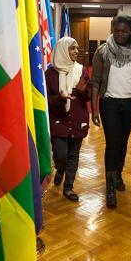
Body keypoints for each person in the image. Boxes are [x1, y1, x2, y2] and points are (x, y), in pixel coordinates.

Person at [91, 14, 131, 208]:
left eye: (124, 31)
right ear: (112, 30)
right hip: (109, 104)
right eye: (117, 30)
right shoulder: (102, 52)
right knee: (112, 143)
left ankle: (118, 175)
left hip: (130, 105)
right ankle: (109, 186)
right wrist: (94, 109)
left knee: (123, 142)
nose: (120, 34)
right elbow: (95, 82)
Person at [46, 37, 91, 202]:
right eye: (72, 48)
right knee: (60, 156)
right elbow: (46, 101)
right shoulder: (50, 73)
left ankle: (68, 187)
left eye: (77, 49)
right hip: (59, 120)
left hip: (78, 120)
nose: (76, 52)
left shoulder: (82, 71)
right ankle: (60, 169)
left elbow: (88, 96)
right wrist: (60, 97)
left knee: (73, 155)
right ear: (63, 50)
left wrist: (81, 91)